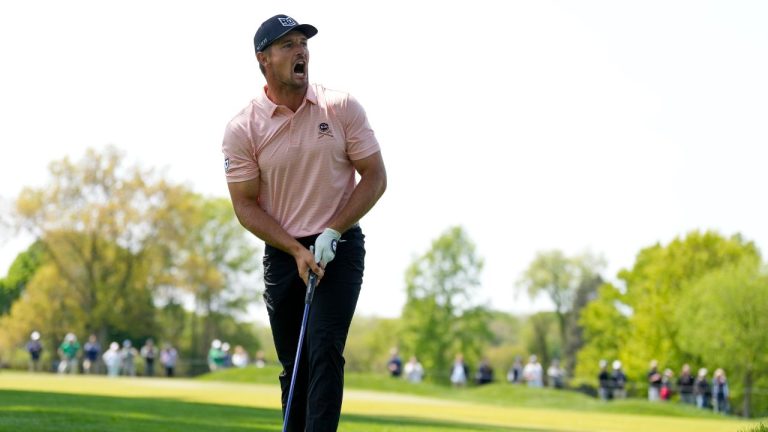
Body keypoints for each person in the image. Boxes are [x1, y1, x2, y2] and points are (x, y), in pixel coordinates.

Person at [222, 13, 387, 432]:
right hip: (283, 252)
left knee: (324, 351)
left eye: (303, 43)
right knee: (293, 364)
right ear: (264, 59)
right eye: (288, 45)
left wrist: (333, 230)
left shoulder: (340, 106)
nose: (301, 52)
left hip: (339, 246)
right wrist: (295, 249)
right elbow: (245, 205)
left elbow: (375, 176)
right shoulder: (243, 128)